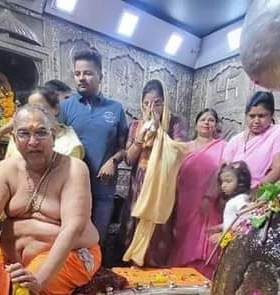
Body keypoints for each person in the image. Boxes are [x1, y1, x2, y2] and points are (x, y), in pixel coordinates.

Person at [0, 105, 101, 295]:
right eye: (24, 134)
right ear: (14, 138)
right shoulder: (5, 170)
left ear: (53, 136)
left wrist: (40, 279)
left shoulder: (73, 169)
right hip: (11, 256)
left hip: (70, 253)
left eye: (40, 133)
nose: (33, 142)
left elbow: (72, 229)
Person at [60, 48, 128, 240]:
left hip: (103, 190)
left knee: (97, 241)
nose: (81, 78)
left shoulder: (115, 109)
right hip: (71, 189)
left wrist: (113, 161)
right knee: (71, 240)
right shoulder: (65, 107)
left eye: (88, 73)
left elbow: (123, 147)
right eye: (77, 73)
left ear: (100, 76)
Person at [121, 79, 188, 265]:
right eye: (147, 103)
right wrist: (141, 136)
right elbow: (129, 159)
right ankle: (132, 268)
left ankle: (155, 271)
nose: (151, 108)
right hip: (139, 184)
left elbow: (180, 152)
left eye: (157, 103)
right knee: (134, 227)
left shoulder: (176, 123)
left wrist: (159, 131)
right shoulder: (136, 125)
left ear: (165, 103)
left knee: (159, 231)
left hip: (162, 186)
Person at [168, 108, 226, 276]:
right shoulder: (184, 147)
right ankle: (181, 276)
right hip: (185, 199)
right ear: (196, 125)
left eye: (211, 120)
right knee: (183, 238)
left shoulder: (224, 147)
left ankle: (204, 275)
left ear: (216, 125)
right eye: (203, 119)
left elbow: (226, 174)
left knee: (205, 238)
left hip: (210, 200)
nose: (207, 123)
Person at [222, 91, 280, 188]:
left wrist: (254, 191)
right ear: (246, 116)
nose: (256, 121)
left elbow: (279, 168)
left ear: (272, 115)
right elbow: (224, 170)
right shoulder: (235, 140)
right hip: (235, 193)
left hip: (264, 192)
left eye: (261, 116)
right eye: (252, 116)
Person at [4, 86, 84, 160]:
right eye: (31, 109)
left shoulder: (71, 146)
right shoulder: (20, 136)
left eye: (40, 109)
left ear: (55, 109)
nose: (34, 114)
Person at [213, 161, 252, 240]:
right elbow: (233, 220)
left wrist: (222, 236)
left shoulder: (240, 199)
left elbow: (246, 220)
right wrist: (222, 226)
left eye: (228, 181)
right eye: (222, 182)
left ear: (241, 182)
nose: (223, 186)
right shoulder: (235, 200)